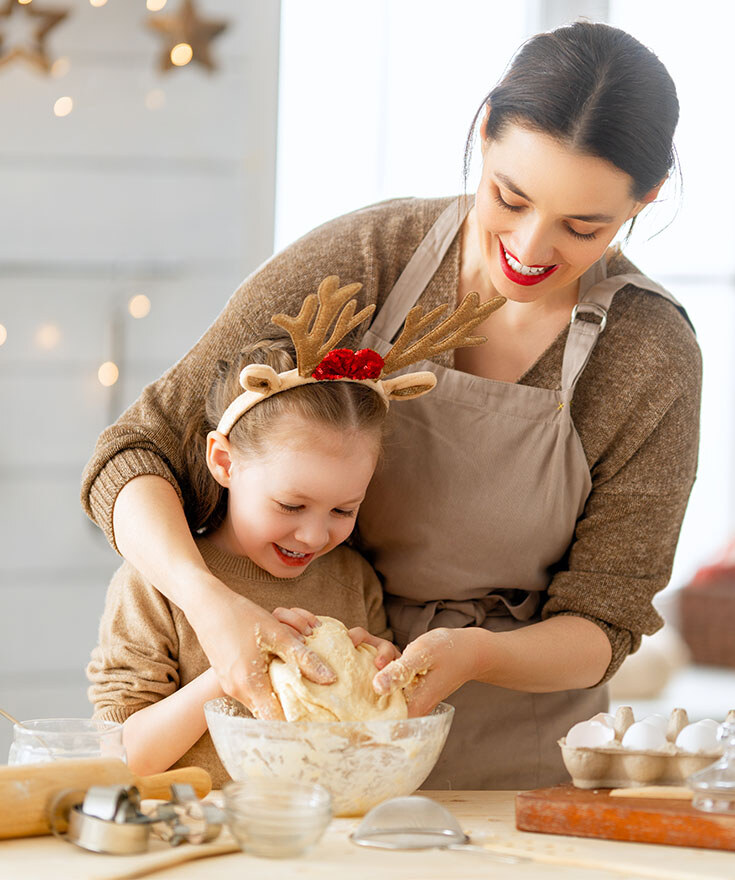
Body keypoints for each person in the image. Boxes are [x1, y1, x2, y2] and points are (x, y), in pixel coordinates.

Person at [81, 20, 701, 789]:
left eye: (584, 227)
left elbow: (604, 621)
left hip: (515, 766)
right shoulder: (365, 262)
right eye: (510, 197)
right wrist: (210, 604)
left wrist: (475, 655)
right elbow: (134, 454)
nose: (532, 248)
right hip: (304, 765)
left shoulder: (648, 352)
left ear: (647, 198)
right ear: (484, 133)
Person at [86, 278, 502, 784]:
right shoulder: (154, 585)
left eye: (343, 511)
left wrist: (379, 685)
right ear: (224, 461)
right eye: (290, 504)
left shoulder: (355, 582)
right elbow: (118, 758)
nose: (312, 536)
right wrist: (229, 673)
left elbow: (370, 754)